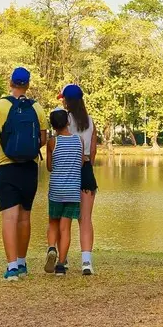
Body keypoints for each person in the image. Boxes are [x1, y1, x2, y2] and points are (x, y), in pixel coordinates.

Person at [0, 66, 44, 279]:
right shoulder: (37, 108)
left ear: (10, 83)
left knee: (9, 218)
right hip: (29, 167)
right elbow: (43, 139)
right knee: (25, 216)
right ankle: (22, 262)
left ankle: (11, 268)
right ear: (27, 85)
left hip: (6, 167)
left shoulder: (0, 105)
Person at [61, 82, 97, 274]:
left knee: (64, 217)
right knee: (85, 219)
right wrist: (88, 166)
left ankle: (63, 260)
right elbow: (93, 150)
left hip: (68, 171)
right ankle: (86, 262)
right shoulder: (90, 121)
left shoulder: (64, 119)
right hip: (85, 171)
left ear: (66, 101)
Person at [42, 108, 82, 274]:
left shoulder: (53, 142)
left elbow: (50, 167)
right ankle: (61, 265)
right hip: (73, 191)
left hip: (56, 190)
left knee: (53, 223)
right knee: (65, 227)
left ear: (53, 125)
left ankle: (52, 248)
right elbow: (80, 165)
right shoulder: (79, 141)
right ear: (68, 122)